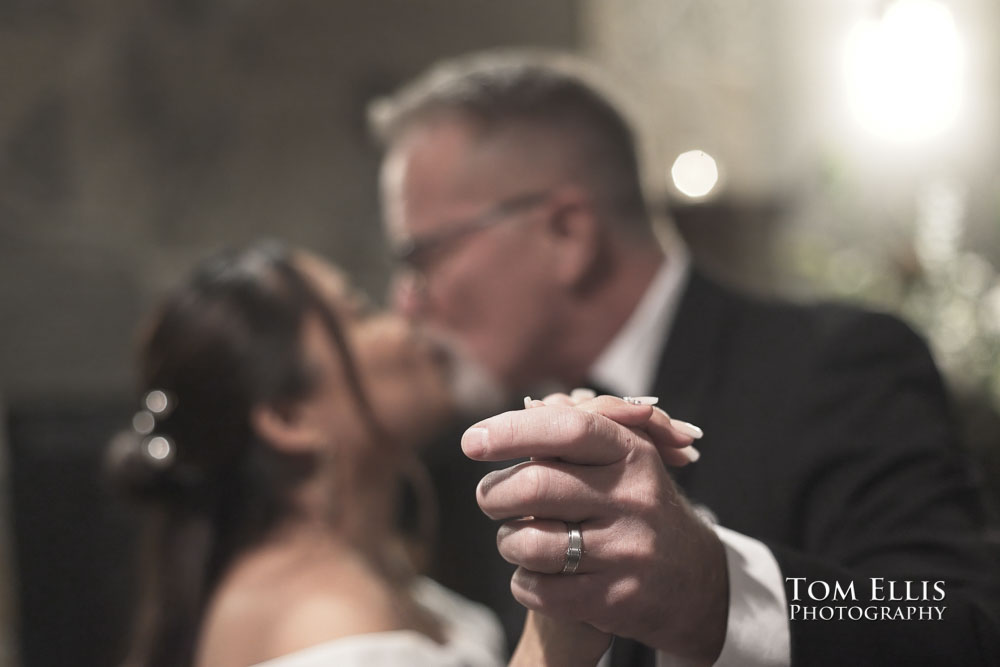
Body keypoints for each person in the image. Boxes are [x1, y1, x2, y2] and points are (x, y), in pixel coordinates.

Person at [369, 50, 1000, 665]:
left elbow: (938, 611)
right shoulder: (498, 457)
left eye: (424, 256)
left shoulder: (836, 365)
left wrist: (716, 589)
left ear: (567, 232)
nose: (407, 304)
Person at [108, 241, 617, 667]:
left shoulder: (367, 573)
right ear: (290, 419)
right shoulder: (323, 620)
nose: (406, 319)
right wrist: (559, 629)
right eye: (359, 312)